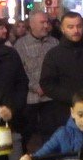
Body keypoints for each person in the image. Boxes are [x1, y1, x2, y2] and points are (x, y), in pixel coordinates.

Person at [19, 89, 83, 160]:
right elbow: (42, 155)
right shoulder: (62, 134)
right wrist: (30, 159)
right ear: (72, 112)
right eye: (80, 115)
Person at [14, 9, 59, 149]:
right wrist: (35, 87)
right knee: (26, 132)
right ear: (32, 24)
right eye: (42, 22)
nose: (46, 26)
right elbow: (20, 70)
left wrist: (49, 87)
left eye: (47, 22)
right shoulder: (21, 45)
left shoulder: (55, 43)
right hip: (30, 98)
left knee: (51, 133)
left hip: (51, 98)